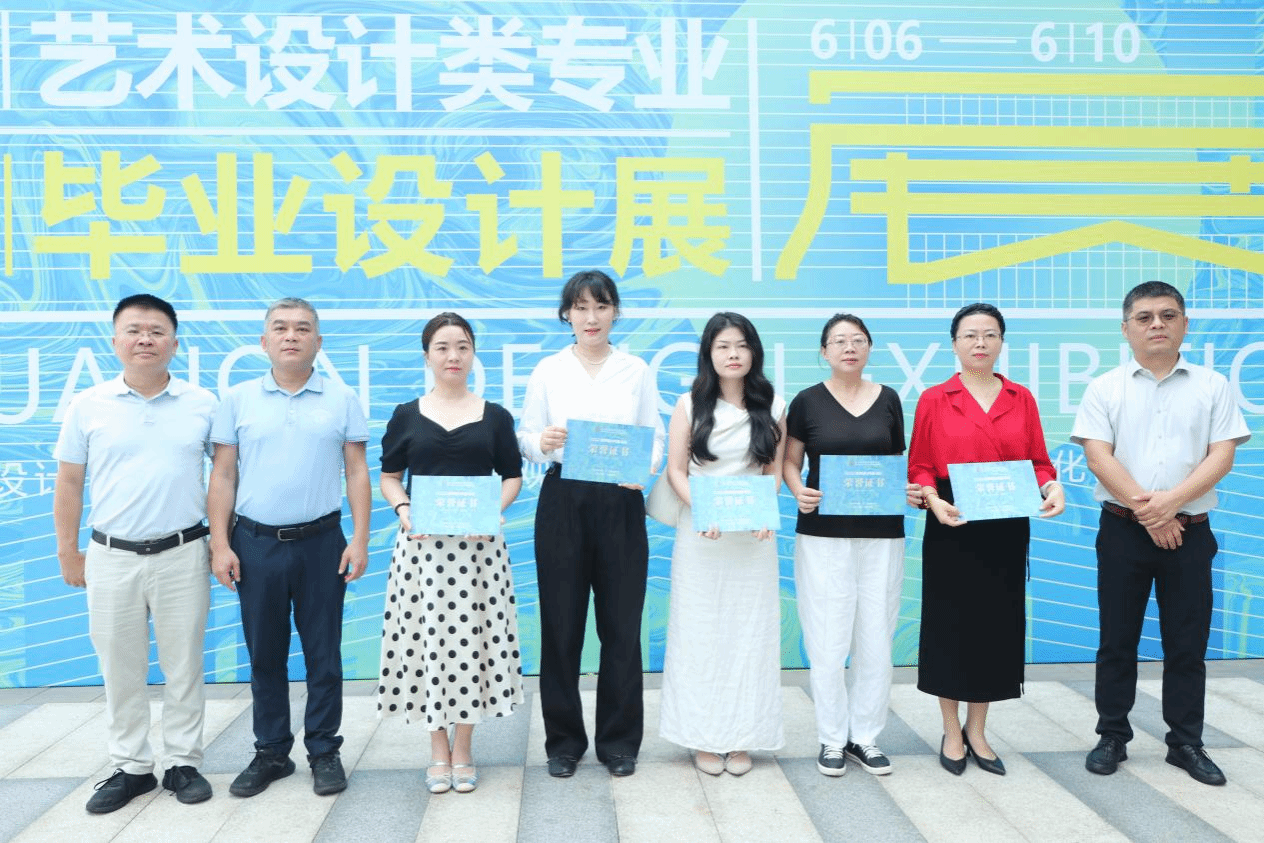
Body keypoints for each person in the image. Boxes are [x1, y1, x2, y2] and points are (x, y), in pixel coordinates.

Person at [1072, 281, 1249, 786]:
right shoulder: (1105, 387)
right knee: (1117, 640)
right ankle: (1112, 735)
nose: (1157, 325)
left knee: (1187, 644)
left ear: (1184, 325)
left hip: (1190, 533)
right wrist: (1153, 514)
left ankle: (1185, 742)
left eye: (1168, 316)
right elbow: (1098, 456)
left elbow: (1222, 455)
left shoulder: (1213, 385)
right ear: (1126, 328)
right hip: (1122, 531)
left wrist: (1170, 506)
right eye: (1145, 317)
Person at [53, 294, 217, 813]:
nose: (145, 339)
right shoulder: (88, 404)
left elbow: (225, 479)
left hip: (183, 551)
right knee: (119, 666)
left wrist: (222, 544)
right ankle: (131, 767)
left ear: (174, 342)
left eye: (156, 331)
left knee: (184, 663)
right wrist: (68, 552)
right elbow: (69, 481)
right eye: (134, 330)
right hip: (111, 554)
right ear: (115, 340)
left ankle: (183, 762)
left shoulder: (202, 403)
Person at [207, 297, 371, 798]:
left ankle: (324, 750)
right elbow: (223, 475)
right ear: (264, 341)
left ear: (318, 341)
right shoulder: (237, 399)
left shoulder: (342, 398)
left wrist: (360, 539)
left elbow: (357, 471)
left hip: (322, 543)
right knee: (265, 655)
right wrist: (220, 544)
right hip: (254, 544)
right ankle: (272, 752)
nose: (291, 336)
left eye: (302, 328)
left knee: (324, 655)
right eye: (280, 328)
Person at [517, 269, 665, 779]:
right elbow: (526, 436)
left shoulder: (635, 370)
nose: (591, 317)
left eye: (601, 306)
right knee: (561, 625)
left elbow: (654, 436)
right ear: (567, 315)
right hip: (564, 499)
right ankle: (563, 742)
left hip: (619, 499)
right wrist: (542, 443)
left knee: (621, 627)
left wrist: (645, 467)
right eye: (580, 307)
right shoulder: (549, 370)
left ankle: (619, 743)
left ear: (615, 312)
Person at [908, 302, 1064, 776]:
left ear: (1001, 342)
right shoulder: (935, 398)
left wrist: (1051, 486)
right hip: (952, 520)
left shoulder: (1021, 397)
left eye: (990, 334)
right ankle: (951, 730)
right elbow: (920, 466)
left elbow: (1039, 461)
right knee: (950, 626)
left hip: (1006, 525)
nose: (980, 342)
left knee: (994, 628)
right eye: (970, 335)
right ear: (954, 344)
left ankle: (978, 729)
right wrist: (932, 499)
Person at [376, 313, 524, 795]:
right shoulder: (406, 414)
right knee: (428, 645)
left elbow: (513, 476)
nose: (453, 356)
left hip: (479, 554)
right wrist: (403, 509)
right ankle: (437, 749)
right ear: (427, 356)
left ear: (473, 354)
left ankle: (464, 748)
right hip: (423, 554)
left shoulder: (495, 416)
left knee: (472, 645)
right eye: (442, 347)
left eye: (462, 346)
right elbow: (389, 477)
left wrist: (491, 512)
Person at [659, 312, 786, 776]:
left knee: (750, 634)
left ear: (754, 352)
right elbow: (676, 470)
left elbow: (772, 472)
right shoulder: (688, 404)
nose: (733, 355)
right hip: (702, 536)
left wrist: (764, 513)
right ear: (708, 354)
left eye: (741, 345)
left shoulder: (774, 405)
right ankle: (703, 735)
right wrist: (704, 510)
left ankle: (742, 736)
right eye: (723, 346)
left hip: (752, 542)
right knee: (701, 634)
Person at [783, 313, 910, 777]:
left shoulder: (889, 399)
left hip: (882, 535)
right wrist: (798, 489)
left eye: (857, 340)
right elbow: (790, 462)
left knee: (876, 635)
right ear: (824, 351)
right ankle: (832, 738)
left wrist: (906, 489)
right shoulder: (807, 401)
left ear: (870, 347)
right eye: (839, 341)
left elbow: (895, 461)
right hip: (823, 535)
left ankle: (865, 736)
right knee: (827, 637)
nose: (849, 348)